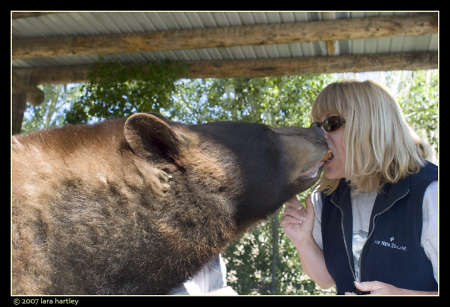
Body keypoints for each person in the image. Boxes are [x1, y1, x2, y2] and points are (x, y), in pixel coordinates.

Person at [281, 79, 438, 295]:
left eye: (331, 123)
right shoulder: (325, 198)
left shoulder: (431, 193)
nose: (319, 136)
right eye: (317, 125)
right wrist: (303, 240)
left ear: (371, 126)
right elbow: (326, 279)